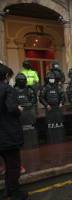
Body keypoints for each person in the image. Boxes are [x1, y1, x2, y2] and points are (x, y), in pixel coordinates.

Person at [0, 63, 29, 200]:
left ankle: (7, 191)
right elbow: (12, 109)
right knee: (13, 165)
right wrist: (19, 109)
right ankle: (14, 191)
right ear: (6, 76)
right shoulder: (8, 89)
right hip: (8, 134)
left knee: (6, 164)